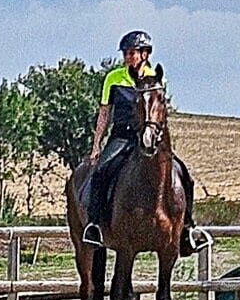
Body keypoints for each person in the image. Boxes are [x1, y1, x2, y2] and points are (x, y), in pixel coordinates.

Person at [81, 30, 200, 246]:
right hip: (121, 136)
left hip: (148, 138)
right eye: (125, 53)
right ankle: (95, 226)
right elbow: (105, 112)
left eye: (131, 52)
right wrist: (97, 144)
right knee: (100, 172)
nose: (127, 57)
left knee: (184, 175)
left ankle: (187, 229)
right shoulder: (113, 78)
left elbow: (159, 113)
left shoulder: (155, 78)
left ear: (145, 54)